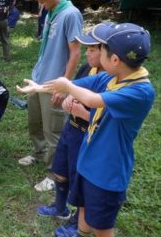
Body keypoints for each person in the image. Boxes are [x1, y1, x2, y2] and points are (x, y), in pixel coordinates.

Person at [44, 22, 155, 237]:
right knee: (84, 210)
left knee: (102, 228)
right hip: (88, 161)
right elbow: (83, 84)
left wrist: (67, 87)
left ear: (114, 60)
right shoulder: (112, 77)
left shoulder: (140, 91)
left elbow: (93, 99)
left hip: (107, 172)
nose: (95, 51)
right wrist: (43, 87)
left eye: (101, 49)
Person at [17, 26, 105, 237]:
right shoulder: (88, 69)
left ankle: (77, 222)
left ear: (109, 53)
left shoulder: (110, 81)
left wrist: (80, 110)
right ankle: (60, 206)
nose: (87, 53)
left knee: (79, 179)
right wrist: (38, 88)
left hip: (87, 135)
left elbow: (103, 117)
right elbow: (68, 86)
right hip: (71, 129)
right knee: (60, 170)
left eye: (93, 49)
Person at [18, 0, 82, 192]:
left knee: (54, 131)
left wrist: (65, 85)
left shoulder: (71, 14)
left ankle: (54, 174)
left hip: (55, 83)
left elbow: (75, 53)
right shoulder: (50, 12)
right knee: (35, 122)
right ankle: (38, 153)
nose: (39, 0)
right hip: (38, 80)